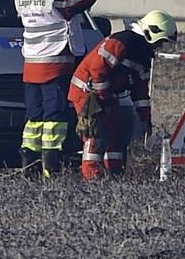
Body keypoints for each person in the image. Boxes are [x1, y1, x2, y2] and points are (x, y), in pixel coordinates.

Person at [13, 0, 97, 177]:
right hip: (55, 65)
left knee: (33, 121)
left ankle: (29, 166)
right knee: (54, 120)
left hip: (31, 66)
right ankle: (51, 168)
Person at [69, 9, 177, 180]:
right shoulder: (121, 43)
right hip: (88, 93)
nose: (160, 46)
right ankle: (91, 175)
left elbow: (140, 89)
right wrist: (103, 100)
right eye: (161, 41)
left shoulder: (142, 54)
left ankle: (115, 172)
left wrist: (145, 118)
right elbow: (98, 69)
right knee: (96, 132)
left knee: (119, 130)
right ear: (151, 32)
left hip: (108, 95)